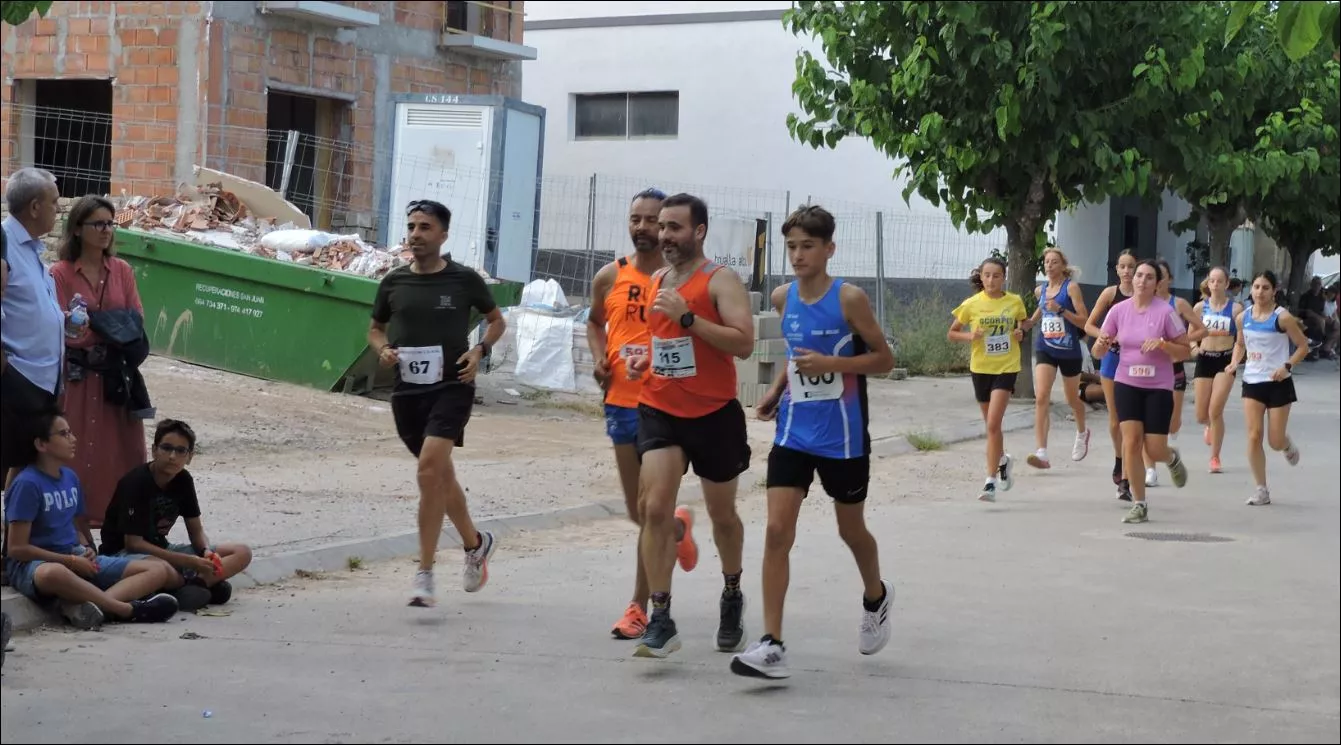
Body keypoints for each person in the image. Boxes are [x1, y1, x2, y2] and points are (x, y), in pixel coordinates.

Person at [730, 205, 896, 680]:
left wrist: (835, 365)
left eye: (808, 246)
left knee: (851, 531)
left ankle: (875, 596)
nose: (799, 255)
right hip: (793, 433)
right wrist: (776, 391)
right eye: (792, 247)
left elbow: (884, 359)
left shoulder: (850, 299)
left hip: (842, 437)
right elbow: (797, 357)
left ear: (829, 249)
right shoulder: (783, 297)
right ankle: (772, 642)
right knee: (777, 531)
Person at [624, 193, 756, 659]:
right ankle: (660, 616)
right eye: (662, 227)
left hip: (714, 415)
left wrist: (688, 316)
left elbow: (743, 343)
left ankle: (732, 593)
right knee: (655, 508)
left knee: (723, 516)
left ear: (699, 231)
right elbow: (662, 341)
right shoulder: (658, 278)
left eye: (675, 227)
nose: (664, 235)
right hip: (660, 408)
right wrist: (644, 359)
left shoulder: (721, 280)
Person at [368, 199, 507, 608]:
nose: (416, 234)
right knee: (439, 477)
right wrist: (383, 350)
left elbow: (498, 320)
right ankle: (476, 545)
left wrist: (480, 350)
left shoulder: (464, 280)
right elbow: (375, 330)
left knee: (429, 471)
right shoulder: (394, 282)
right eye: (411, 226)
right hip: (407, 392)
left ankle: (425, 572)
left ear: (443, 235)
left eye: (425, 227)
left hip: (452, 386)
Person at [586, 188, 699, 640]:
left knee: (650, 509)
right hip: (620, 401)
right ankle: (678, 529)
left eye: (653, 220)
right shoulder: (608, 276)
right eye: (636, 218)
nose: (643, 228)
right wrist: (599, 357)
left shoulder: (681, 280)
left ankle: (639, 607)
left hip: (666, 406)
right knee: (641, 512)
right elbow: (594, 322)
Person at [4, 410, 179, 627]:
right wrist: (69, 561)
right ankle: (125, 609)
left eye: (70, 432)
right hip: (34, 566)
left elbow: (76, 525)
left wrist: (86, 547)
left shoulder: (69, 477)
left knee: (157, 569)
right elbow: (17, 549)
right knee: (53, 573)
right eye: (63, 434)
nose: (73, 439)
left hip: (73, 555)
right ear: (41, 444)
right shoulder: (27, 484)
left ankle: (95, 607)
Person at [50, 195, 150, 526]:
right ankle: (75, 525)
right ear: (78, 229)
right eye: (98, 223)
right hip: (79, 379)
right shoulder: (60, 274)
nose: (106, 230)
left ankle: (120, 523)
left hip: (115, 378)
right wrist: (107, 327)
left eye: (110, 223)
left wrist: (94, 325)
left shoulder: (122, 271)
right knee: (76, 450)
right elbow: (65, 330)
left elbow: (135, 320)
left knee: (122, 452)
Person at [99, 419, 253, 610]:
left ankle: (197, 585)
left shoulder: (184, 480)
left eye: (181, 451)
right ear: (155, 450)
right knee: (163, 571)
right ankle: (194, 586)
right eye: (167, 448)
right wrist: (186, 561)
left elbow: (196, 531)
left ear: (189, 457)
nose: (173, 456)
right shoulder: (136, 482)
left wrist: (206, 551)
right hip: (124, 554)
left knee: (241, 552)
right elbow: (133, 543)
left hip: (162, 549)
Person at [1091, 260, 1192, 524]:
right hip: (1126, 382)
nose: (1141, 281)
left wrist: (1163, 345)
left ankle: (1171, 458)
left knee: (1155, 448)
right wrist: (1101, 344)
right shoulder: (1118, 311)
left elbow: (1185, 351)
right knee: (1132, 443)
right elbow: (1097, 351)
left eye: (1149, 277)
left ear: (1157, 283)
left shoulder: (1165, 312)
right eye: (1138, 275)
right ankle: (1139, 503)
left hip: (1158, 386)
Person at [947, 256, 1032, 502]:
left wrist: (1019, 332)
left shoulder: (1014, 301)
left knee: (993, 424)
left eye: (996, 276)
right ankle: (1003, 460)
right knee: (991, 427)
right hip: (981, 368)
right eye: (987, 275)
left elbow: (1021, 327)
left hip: (1006, 367)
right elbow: (952, 333)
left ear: (1004, 278)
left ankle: (990, 482)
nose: (991, 280)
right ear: (981, 277)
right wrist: (970, 336)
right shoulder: (971, 304)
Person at [2, 168, 65, 490]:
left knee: (26, 461)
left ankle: (15, 532)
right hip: (17, 376)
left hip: (42, 378)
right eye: (54, 203)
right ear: (35, 207)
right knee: (10, 458)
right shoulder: (4, 244)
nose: (59, 209)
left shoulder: (32, 248)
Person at [1227, 271, 1311, 506]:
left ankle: (1286, 444)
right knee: (1253, 436)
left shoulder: (1282, 318)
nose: (1260, 292)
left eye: (1265, 287)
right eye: (1256, 287)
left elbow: (1303, 346)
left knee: (1274, 441)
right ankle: (1261, 489)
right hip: (1252, 382)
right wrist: (1235, 362)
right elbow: (1240, 344)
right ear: (1251, 290)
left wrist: (1287, 366)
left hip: (1278, 383)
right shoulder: (1243, 317)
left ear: (1274, 291)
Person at [1026, 247, 1091, 470]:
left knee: (1072, 399)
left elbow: (1084, 321)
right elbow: (1040, 314)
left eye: (1054, 262)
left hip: (1069, 350)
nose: (1049, 266)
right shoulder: (1040, 291)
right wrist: (1025, 325)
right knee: (1041, 396)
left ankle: (1082, 431)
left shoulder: (1071, 288)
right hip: (1046, 347)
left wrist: (1062, 310)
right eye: (1046, 262)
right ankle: (1042, 452)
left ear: (1063, 265)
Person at [1142, 258, 1205, 487]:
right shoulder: (1141, 304)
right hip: (1146, 371)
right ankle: (1150, 470)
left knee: (1172, 424)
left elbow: (1202, 329)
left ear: (1167, 279)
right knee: (1144, 426)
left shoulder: (1177, 304)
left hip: (1173, 369)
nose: (1155, 281)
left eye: (1160, 276)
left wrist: (1177, 342)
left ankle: (1165, 451)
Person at [1084, 250, 1138, 501]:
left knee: (1130, 421)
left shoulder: (1143, 295)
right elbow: (1089, 325)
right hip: (1111, 359)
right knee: (1116, 420)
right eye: (1123, 267)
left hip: (1136, 362)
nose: (1127, 272)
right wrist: (1103, 336)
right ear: (1117, 270)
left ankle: (1126, 480)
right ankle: (1119, 459)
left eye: (1131, 267)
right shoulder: (1110, 294)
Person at [1191, 268, 1241, 473]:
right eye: (1212, 280)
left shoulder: (1236, 309)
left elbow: (1242, 340)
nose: (1216, 284)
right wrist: (1194, 347)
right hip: (1204, 360)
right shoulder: (1199, 308)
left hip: (1225, 360)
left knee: (1215, 410)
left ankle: (1215, 457)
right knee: (1202, 415)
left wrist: (1236, 361)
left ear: (1226, 284)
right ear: (1208, 283)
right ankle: (1208, 425)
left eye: (1220, 281)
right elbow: (1191, 334)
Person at [1298, 276, 1338, 359]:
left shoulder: (1322, 295)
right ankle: (1317, 347)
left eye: (1319, 284)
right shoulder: (1306, 296)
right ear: (1311, 285)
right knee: (1319, 322)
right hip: (1308, 319)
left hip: (1323, 318)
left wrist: (1331, 318)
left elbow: (1330, 305)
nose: (1317, 286)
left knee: (1337, 326)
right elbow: (1304, 312)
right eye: (1315, 284)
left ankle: (1326, 348)